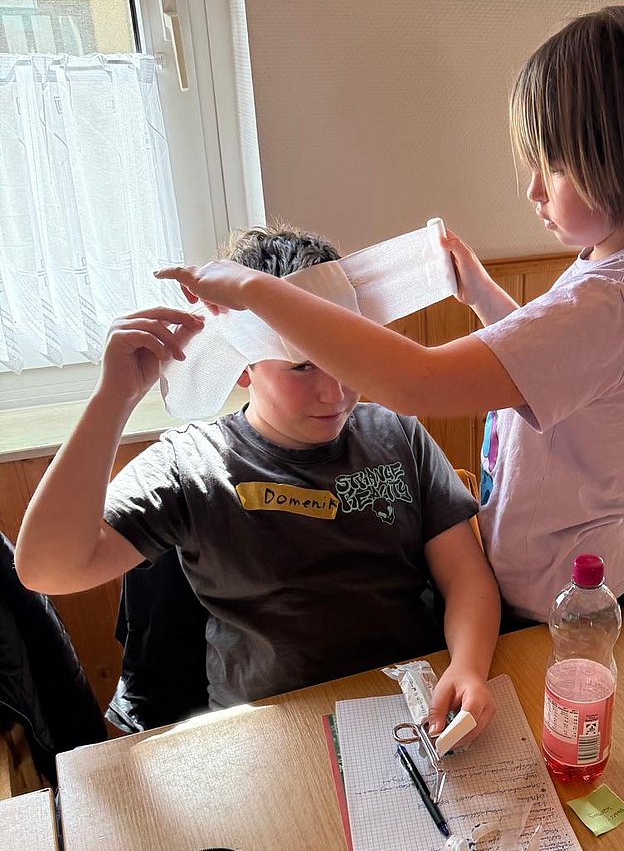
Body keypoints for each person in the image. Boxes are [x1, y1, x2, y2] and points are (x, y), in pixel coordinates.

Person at [156, 5, 624, 625]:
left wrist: (257, 291)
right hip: (593, 555)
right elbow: (559, 371)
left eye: (554, 166)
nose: (533, 190)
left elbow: (416, 383)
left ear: (622, 157)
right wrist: (485, 299)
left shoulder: (612, 300)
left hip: (566, 594)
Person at [15, 228, 499, 738]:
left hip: (411, 700)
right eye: (301, 367)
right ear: (242, 365)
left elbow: (465, 575)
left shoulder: (397, 434)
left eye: (345, 356)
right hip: (269, 724)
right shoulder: (194, 464)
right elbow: (48, 570)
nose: (334, 392)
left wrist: (467, 666)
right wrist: (113, 398)